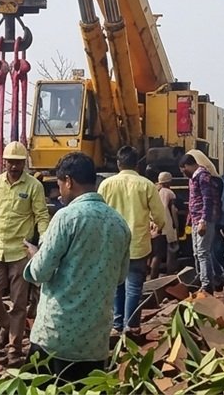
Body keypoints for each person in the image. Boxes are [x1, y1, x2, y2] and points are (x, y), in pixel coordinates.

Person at [24, 152, 130, 382]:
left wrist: (34, 255)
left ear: (69, 181)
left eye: (59, 184)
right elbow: (121, 277)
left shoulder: (66, 217)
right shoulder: (120, 223)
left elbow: (40, 272)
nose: (60, 191)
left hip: (56, 336)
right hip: (94, 342)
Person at [0, 141, 50, 360]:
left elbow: (41, 216)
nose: (14, 167)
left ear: (24, 163)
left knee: (18, 302)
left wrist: (44, 242)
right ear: (4, 162)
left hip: (20, 252)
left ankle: (14, 348)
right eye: (10, 162)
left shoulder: (34, 186)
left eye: (18, 163)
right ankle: (8, 325)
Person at [98, 146, 166, 333]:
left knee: (117, 286)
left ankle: (117, 324)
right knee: (134, 286)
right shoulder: (146, 185)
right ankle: (132, 325)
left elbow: (99, 213)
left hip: (113, 244)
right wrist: (157, 226)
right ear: (137, 164)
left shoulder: (106, 185)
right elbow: (160, 216)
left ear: (118, 163)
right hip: (138, 244)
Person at [181, 151, 223, 293]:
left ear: (188, 165)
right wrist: (190, 219)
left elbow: (207, 199)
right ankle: (206, 278)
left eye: (183, 170)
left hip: (203, 220)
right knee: (197, 252)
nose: (183, 173)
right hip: (195, 219)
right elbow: (193, 200)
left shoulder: (203, 176)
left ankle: (206, 285)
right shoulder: (193, 178)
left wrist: (203, 220)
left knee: (203, 252)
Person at [151, 171, 180, 276]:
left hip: (155, 226)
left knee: (157, 254)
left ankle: (153, 277)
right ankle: (170, 276)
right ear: (169, 182)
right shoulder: (169, 193)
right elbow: (173, 212)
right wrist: (177, 227)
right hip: (167, 227)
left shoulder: (154, 191)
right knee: (171, 252)